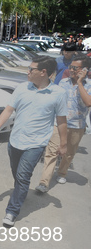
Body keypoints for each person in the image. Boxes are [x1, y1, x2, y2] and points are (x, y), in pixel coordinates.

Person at [0, 56, 67, 227]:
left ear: (43, 72)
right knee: (17, 175)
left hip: (35, 143)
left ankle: (12, 211)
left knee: (23, 177)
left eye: (31, 69)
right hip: (15, 141)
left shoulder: (58, 93)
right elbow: (8, 110)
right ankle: (20, 192)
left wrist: (63, 144)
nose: (28, 72)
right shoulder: (22, 88)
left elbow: (61, 121)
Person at [36, 55, 91, 192]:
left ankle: (61, 173)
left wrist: (79, 83)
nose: (71, 70)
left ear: (85, 69)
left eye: (75, 68)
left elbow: (88, 102)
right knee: (51, 152)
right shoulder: (63, 82)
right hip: (59, 123)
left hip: (77, 126)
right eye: (70, 67)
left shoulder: (89, 85)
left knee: (69, 154)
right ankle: (44, 182)